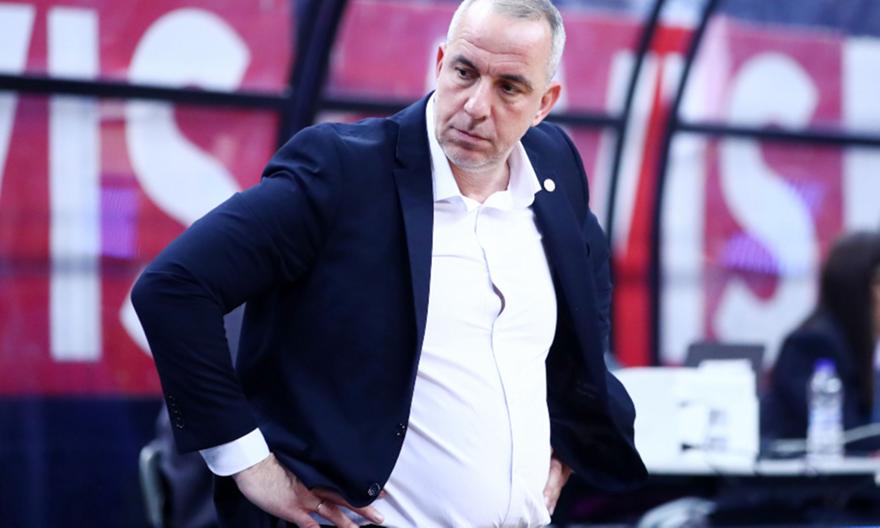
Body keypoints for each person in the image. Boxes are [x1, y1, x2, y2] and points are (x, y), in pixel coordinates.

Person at [132, 1, 646, 526]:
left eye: (509, 87)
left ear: (544, 103)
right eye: (464, 72)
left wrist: (566, 438)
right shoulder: (344, 171)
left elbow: (587, 280)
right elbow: (174, 287)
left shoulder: (553, 165)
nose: (475, 106)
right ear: (441, 62)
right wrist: (247, 464)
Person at [762, 231, 880, 449]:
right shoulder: (812, 344)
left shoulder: (861, 345)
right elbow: (848, 436)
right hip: (806, 470)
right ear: (864, 288)